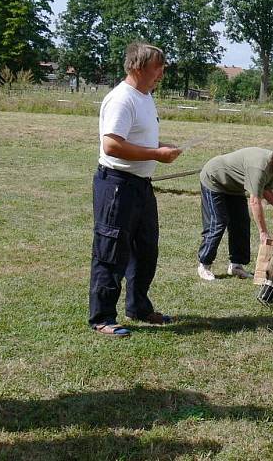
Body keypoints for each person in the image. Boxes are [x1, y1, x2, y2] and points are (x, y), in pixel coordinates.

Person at [88, 42, 182, 337]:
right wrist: (156, 154)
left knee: (146, 250)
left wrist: (160, 147)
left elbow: (136, 138)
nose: (162, 73)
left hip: (141, 186)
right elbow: (112, 145)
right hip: (117, 185)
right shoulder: (121, 99)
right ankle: (102, 317)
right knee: (111, 250)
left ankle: (139, 307)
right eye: (158, 67)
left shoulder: (145, 96)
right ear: (138, 67)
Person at [197, 145, 273, 281]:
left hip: (234, 187)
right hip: (214, 179)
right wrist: (263, 231)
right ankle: (204, 265)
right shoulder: (260, 167)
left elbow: (265, 190)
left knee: (241, 222)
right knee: (218, 222)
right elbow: (255, 201)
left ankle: (236, 265)